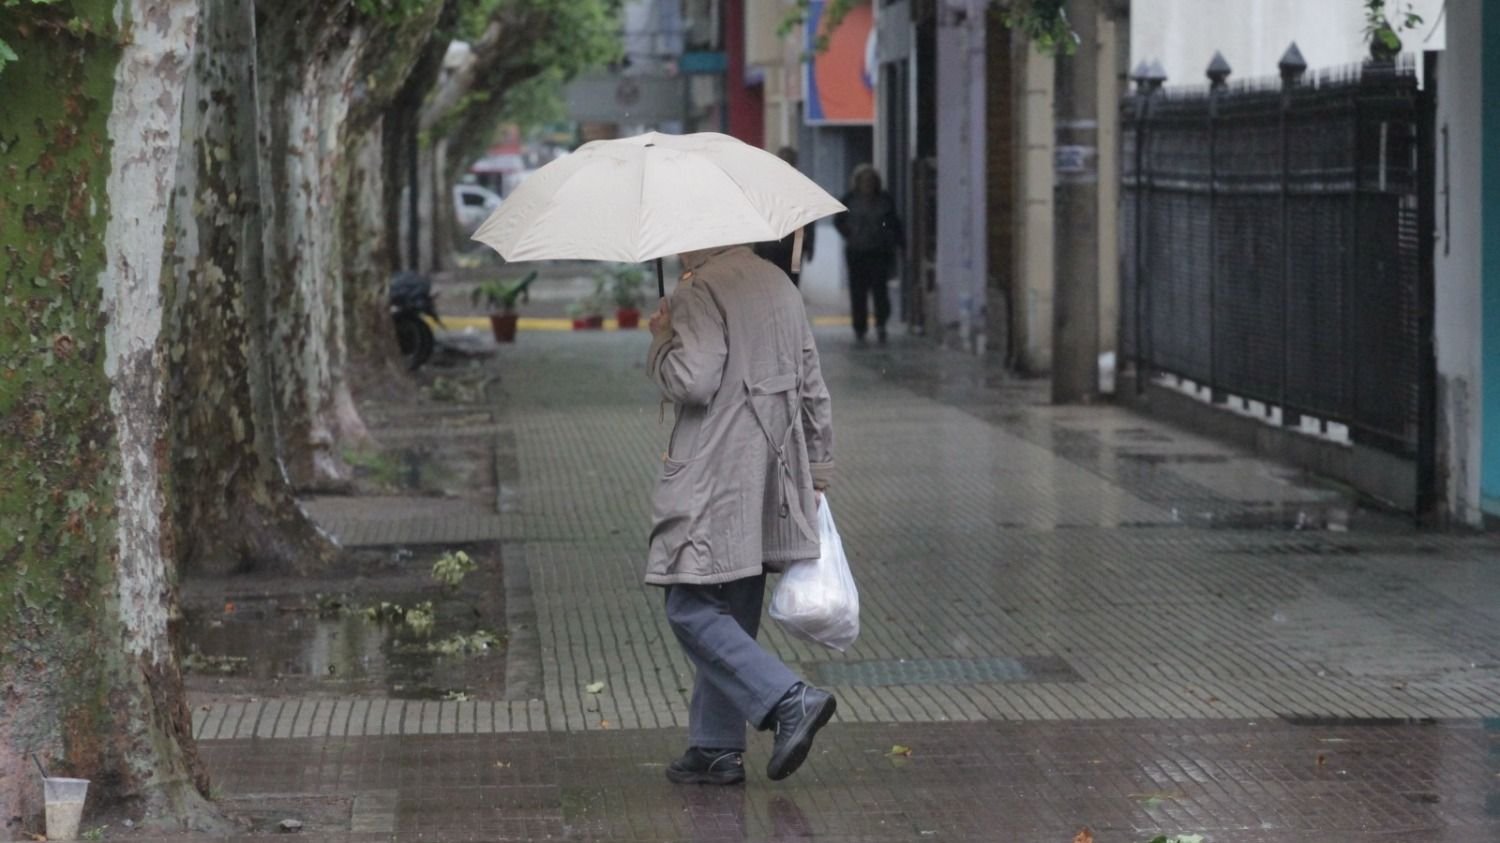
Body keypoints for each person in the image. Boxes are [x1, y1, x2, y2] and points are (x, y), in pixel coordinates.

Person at [645, 243, 837, 786]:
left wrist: (662, 340)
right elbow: (812, 386)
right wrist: (818, 471)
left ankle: (788, 698)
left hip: (714, 469)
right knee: (735, 603)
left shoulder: (699, 289)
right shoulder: (780, 284)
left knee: (689, 604)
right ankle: (715, 745)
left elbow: (693, 381)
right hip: (772, 471)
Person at [833, 164, 903, 345]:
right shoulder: (849, 200)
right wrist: (850, 233)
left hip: (878, 251)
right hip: (857, 252)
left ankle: (881, 324)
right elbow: (838, 220)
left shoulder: (884, 200)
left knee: (880, 290)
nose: (868, 184)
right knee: (858, 292)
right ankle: (860, 327)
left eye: (871, 180)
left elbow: (893, 222)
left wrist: (893, 240)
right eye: (864, 181)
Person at [754, 147, 817, 284]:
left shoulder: (801, 186)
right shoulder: (766, 185)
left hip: (796, 243)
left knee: (793, 281)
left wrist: (810, 245)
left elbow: (809, 218)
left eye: (789, 159)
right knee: (771, 281)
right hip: (770, 245)